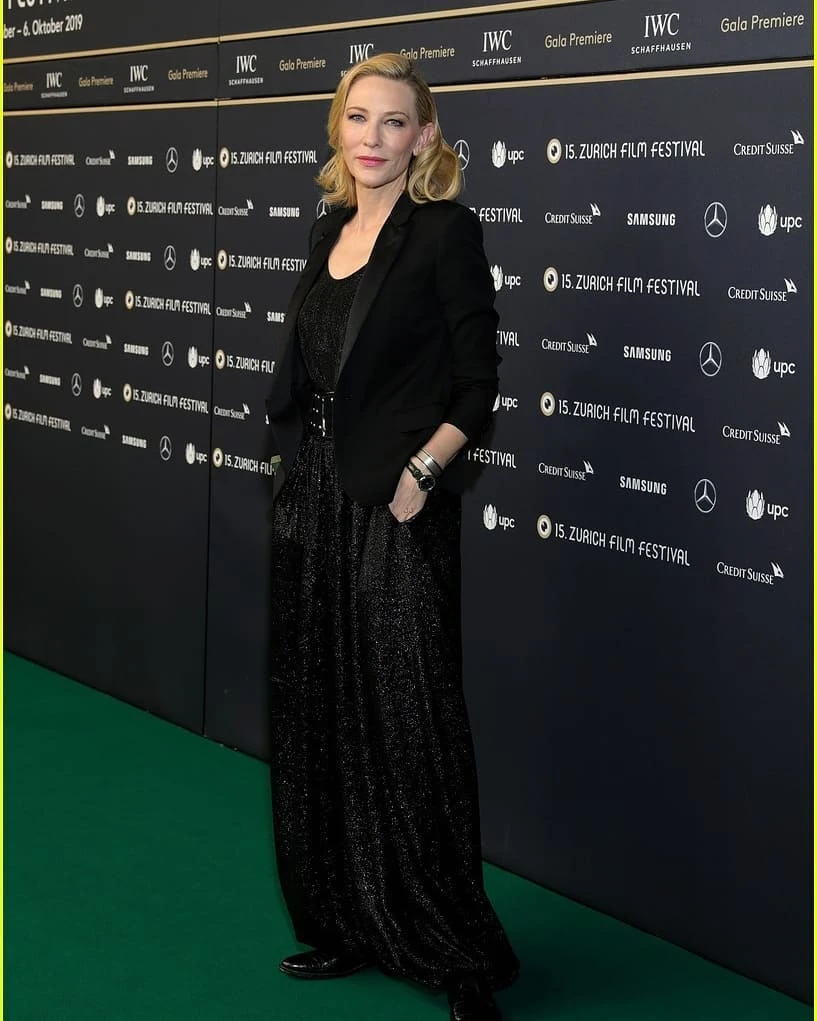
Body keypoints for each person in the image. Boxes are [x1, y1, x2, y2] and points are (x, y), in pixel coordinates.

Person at [264, 52, 520, 1021]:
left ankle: (458, 954)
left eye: (394, 121)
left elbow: (477, 383)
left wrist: (423, 472)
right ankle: (347, 920)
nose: (372, 138)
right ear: (337, 127)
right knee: (318, 711)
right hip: (315, 499)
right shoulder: (328, 229)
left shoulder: (445, 232)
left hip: (396, 502)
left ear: (424, 136)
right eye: (358, 117)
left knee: (414, 723)